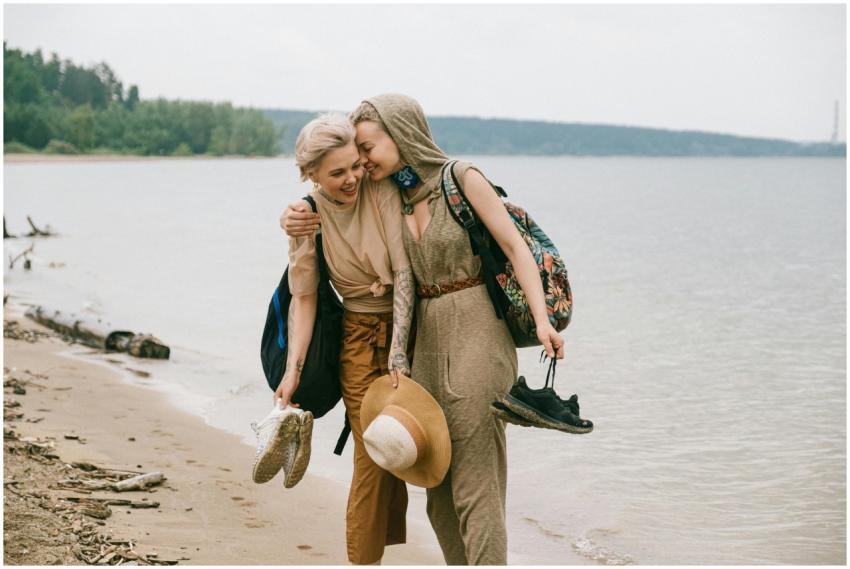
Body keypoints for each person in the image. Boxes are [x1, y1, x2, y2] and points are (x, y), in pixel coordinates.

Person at [281, 95, 565, 565]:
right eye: (356, 155)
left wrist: (542, 320)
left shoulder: (461, 178)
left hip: (476, 329)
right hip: (424, 340)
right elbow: (325, 234)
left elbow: (515, 248)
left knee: (477, 483)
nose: (362, 163)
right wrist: (292, 216)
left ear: (401, 135)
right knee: (437, 486)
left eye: (367, 150)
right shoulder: (395, 191)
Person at [276, 112, 416, 565]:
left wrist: (400, 352)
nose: (353, 177)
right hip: (357, 339)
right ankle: (364, 560)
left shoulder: (381, 188)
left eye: (355, 164)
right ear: (309, 174)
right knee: (373, 451)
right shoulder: (306, 216)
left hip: (412, 330)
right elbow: (304, 296)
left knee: (416, 448)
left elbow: (403, 271)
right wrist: (291, 371)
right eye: (337, 173)